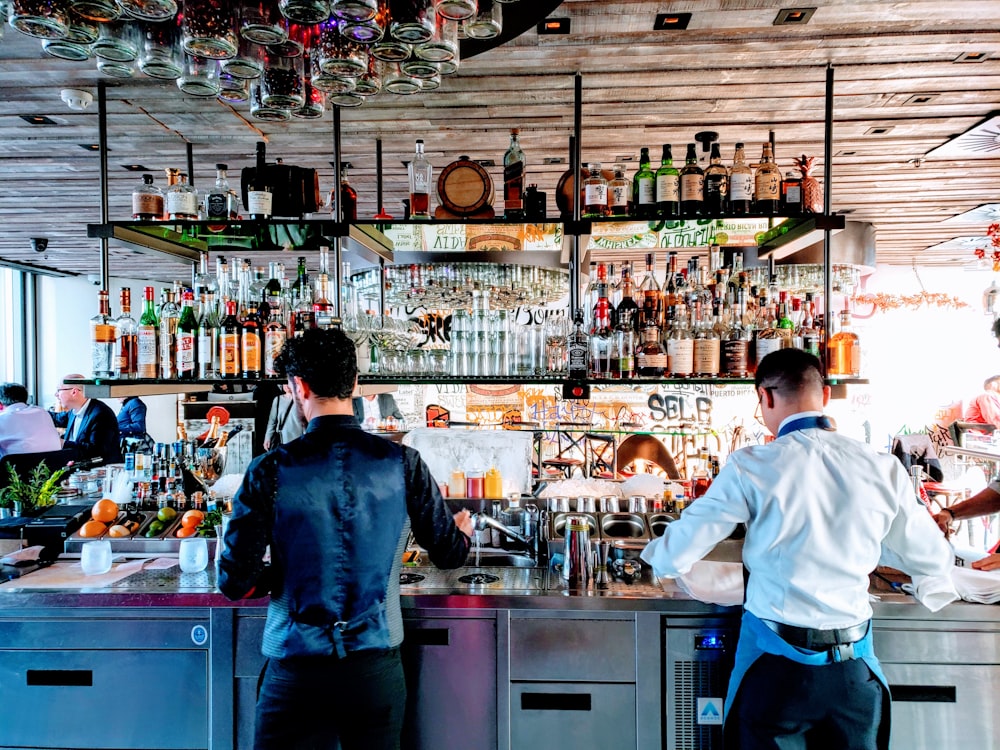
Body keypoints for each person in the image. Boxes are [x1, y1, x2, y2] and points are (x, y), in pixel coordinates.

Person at [641, 348, 957, 750]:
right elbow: (931, 559)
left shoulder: (751, 465)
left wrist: (652, 558)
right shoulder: (882, 467)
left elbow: (678, 550)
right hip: (853, 673)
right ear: (823, 394)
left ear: (766, 398)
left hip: (774, 674)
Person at [218, 328, 472, 750]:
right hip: (374, 669)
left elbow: (234, 581)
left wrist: (275, 574)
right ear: (356, 385)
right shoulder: (402, 462)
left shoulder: (268, 469)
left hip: (294, 667)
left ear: (298, 387)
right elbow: (448, 555)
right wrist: (460, 534)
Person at [51, 376, 122, 465]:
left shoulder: (101, 414)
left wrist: (63, 443)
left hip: (100, 472)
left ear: (74, 392)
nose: (56, 395)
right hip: (77, 466)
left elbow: (96, 451)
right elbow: (56, 418)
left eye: (59, 390)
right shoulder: (73, 411)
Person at [0, 382, 61, 458]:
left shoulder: (2, 418)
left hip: (16, 468)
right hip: (53, 466)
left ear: (1, 405)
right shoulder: (42, 412)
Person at [263, 384, 306, 450]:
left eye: (289, 383)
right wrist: (268, 437)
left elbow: (305, 422)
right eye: (285, 383)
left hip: (298, 440)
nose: (287, 385)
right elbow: (272, 421)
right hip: (282, 440)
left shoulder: (301, 399)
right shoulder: (278, 400)